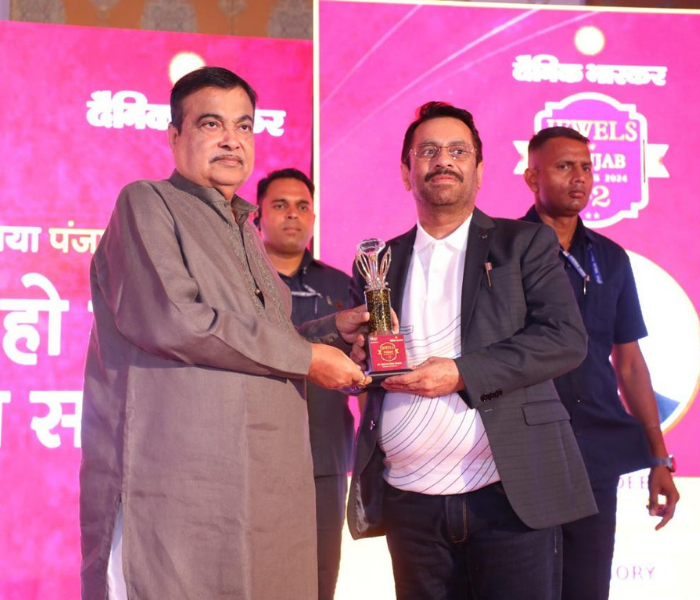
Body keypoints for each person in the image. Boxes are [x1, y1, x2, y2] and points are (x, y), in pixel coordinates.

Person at [79, 66, 371, 600]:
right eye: (212, 124)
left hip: (261, 483)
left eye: (244, 125)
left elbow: (260, 338)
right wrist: (309, 359)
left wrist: (331, 331)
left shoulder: (243, 228)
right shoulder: (146, 202)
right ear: (175, 136)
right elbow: (177, 319)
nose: (232, 140)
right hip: (178, 486)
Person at [347, 101, 597, 600]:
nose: (443, 160)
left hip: (508, 495)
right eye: (428, 151)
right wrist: (357, 360)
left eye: (458, 151)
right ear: (406, 171)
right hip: (410, 500)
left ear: (479, 171)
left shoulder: (524, 243)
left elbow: (565, 339)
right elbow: (369, 364)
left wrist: (461, 373)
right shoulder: (377, 261)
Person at [521, 126, 680, 600]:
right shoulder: (502, 251)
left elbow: (629, 363)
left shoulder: (610, 258)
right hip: (520, 452)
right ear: (532, 177)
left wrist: (658, 457)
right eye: (564, 166)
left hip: (594, 452)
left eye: (586, 167)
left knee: (587, 589)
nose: (579, 178)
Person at [255, 168, 355, 600]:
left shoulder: (342, 285)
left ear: (314, 217)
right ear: (257, 217)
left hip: (323, 452)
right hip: (253, 454)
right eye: (280, 205)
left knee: (318, 576)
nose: (292, 215)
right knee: (255, 575)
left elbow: (361, 366)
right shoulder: (239, 282)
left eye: (302, 206)